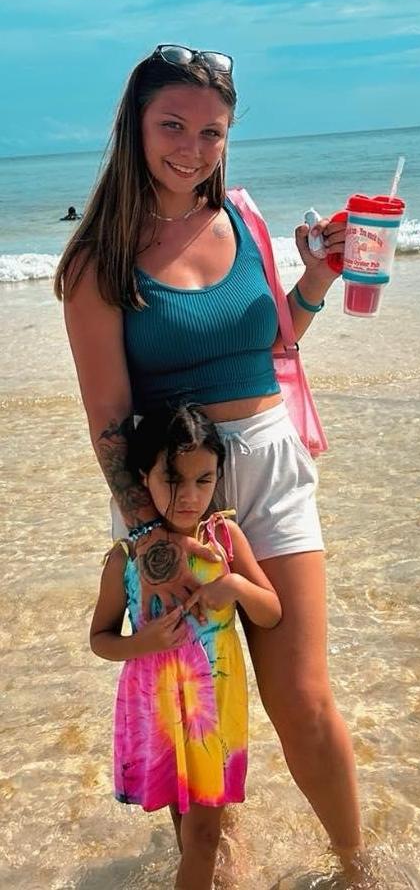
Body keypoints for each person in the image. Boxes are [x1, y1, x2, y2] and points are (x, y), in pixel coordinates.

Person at [54, 44, 367, 881]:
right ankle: (214, 857)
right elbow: (108, 422)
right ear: (135, 126)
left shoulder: (243, 219)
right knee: (192, 698)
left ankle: (357, 866)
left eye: (212, 132)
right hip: (170, 493)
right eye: (173, 125)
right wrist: (152, 537)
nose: (192, 148)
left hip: (268, 464)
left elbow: (272, 347)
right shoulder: (97, 260)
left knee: (301, 698)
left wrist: (315, 279)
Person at [90, 403, 281, 890]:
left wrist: (234, 586)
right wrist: (144, 642)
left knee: (203, 835)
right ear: (143, 478)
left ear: (219, 476)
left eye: (203, 479)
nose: (189, 495)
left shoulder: (224, 540)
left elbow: (271, 612)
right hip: (158, 709)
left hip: (213, 709)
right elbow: (101, 639)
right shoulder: (125, 559)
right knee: (187, 827)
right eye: (172, 479)